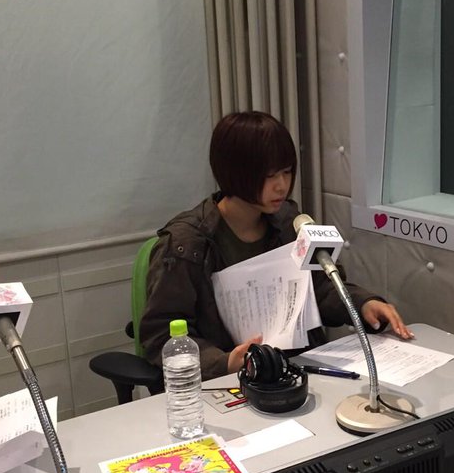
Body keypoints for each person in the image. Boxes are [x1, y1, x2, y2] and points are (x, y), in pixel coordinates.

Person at [140, 111, 412, 380]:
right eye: (269, 176)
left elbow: (319, 289)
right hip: (227, 383)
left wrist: (363, 303)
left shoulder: (288, 222)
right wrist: (225, 362)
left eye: (286, 172)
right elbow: (160, 335)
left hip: (294, 373)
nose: (282, 186)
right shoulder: (186, 244)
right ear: (234, 173)